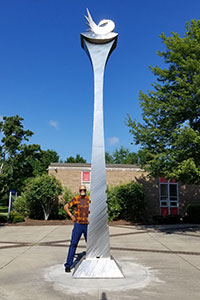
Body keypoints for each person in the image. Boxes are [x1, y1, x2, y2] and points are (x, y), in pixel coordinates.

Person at [64, 185, 90, 272]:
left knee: (90, 245)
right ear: (79, 190)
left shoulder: (89, 199)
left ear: (86, 191)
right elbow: (66, 207)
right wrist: (71, 216)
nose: (82, 191)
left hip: (87, 225)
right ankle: (68, 265)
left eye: (84, 190)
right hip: (78, 224)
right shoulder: (76, 199)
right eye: (81, 190)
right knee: (73, 244)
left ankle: (91, 263)